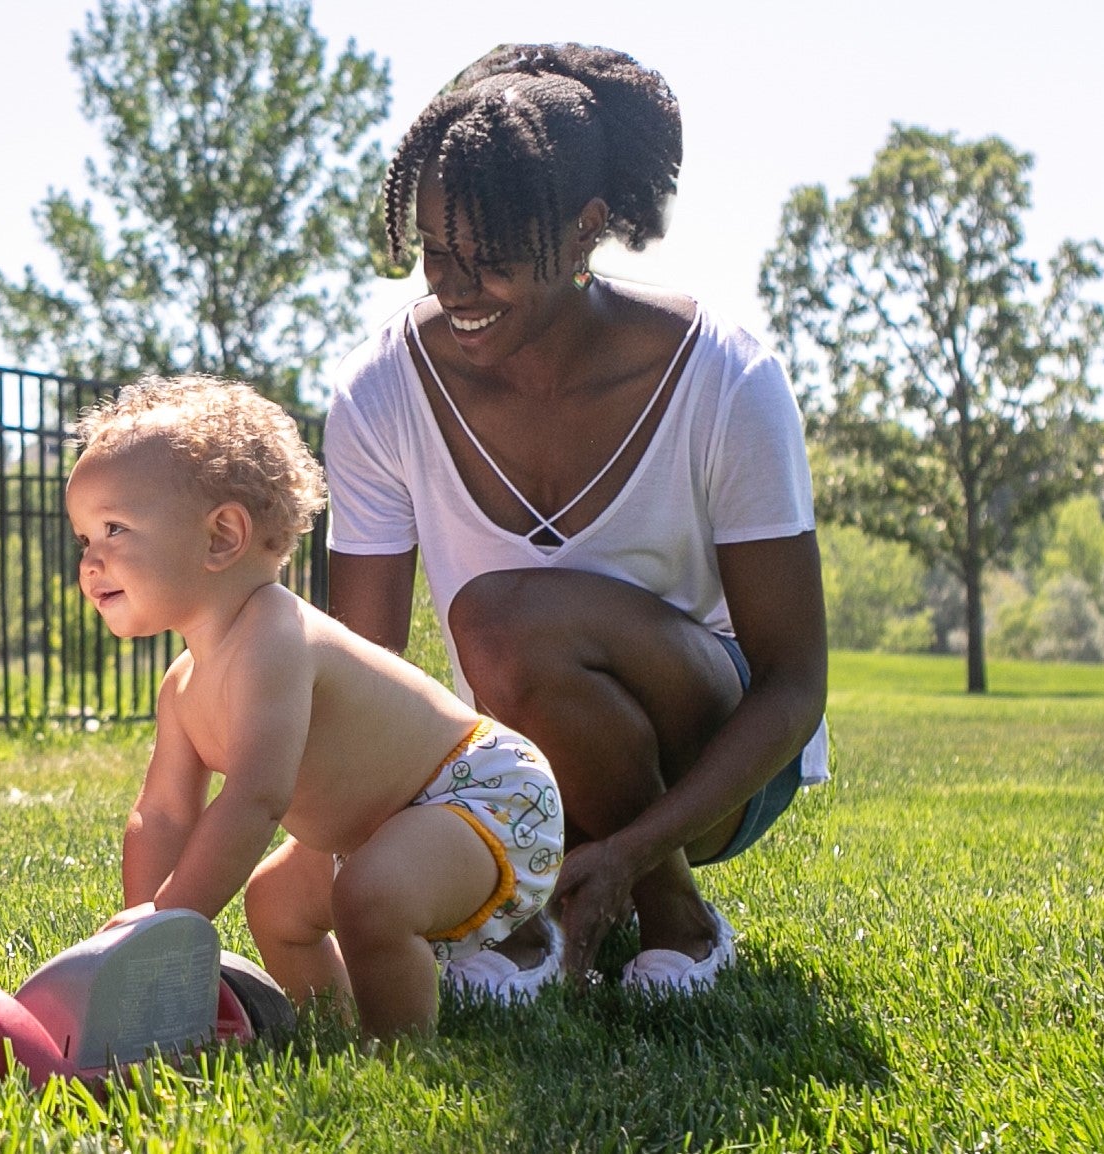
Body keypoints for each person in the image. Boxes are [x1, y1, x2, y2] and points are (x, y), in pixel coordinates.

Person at [314, 43, 831, 996]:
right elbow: (362, 678)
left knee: (502, 620)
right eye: (434, 252)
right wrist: (370, 863)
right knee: (505, 642)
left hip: (715, 765)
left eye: (492, 258)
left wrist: (636, 849)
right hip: (523, 765)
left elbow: (796, 684)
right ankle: (529, 915)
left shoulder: (725, 377)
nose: (454, 287)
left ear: (586, 229)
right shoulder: (376, 390)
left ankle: (678, 912)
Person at [70, 376, 563, 1038]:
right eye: (83, 538)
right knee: (275, 904)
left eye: (113, 529)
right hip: (378, 827)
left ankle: (397, 1062)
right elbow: (161, 813)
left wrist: (169, 915)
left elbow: (254, 799)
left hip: (483, 794)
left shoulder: (275, 635)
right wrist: (144, 936)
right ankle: (333, 1028)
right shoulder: (182, 684)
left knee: (368, 896)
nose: (90, 560)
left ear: (221, 537)